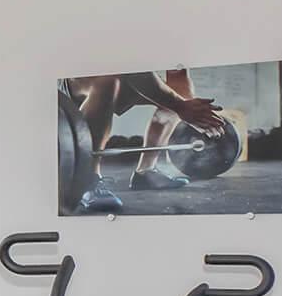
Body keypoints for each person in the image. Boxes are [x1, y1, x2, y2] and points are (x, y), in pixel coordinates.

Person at [65, 69, 227, 213]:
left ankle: (146, 172)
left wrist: (195, 111)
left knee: (178, 93)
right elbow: (131, 70)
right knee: (108, 79)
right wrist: (181, 107)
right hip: (78, 80)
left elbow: (179, 78)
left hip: (128, 75)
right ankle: (87, 179)